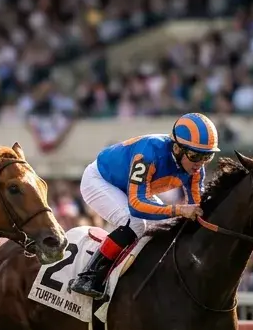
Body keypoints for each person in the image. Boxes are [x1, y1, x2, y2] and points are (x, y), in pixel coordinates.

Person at [68, 112, 219, 299]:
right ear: (178, 149)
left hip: (131, 188)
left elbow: (197, 208)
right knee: (135, 223)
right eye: (196, 155)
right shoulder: (149, 153)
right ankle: (89, 277)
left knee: (162, 226)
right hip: (100, 180)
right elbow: (137, 205)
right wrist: (178, 210)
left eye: (208, 157)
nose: (200, 164)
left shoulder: (196, 169)